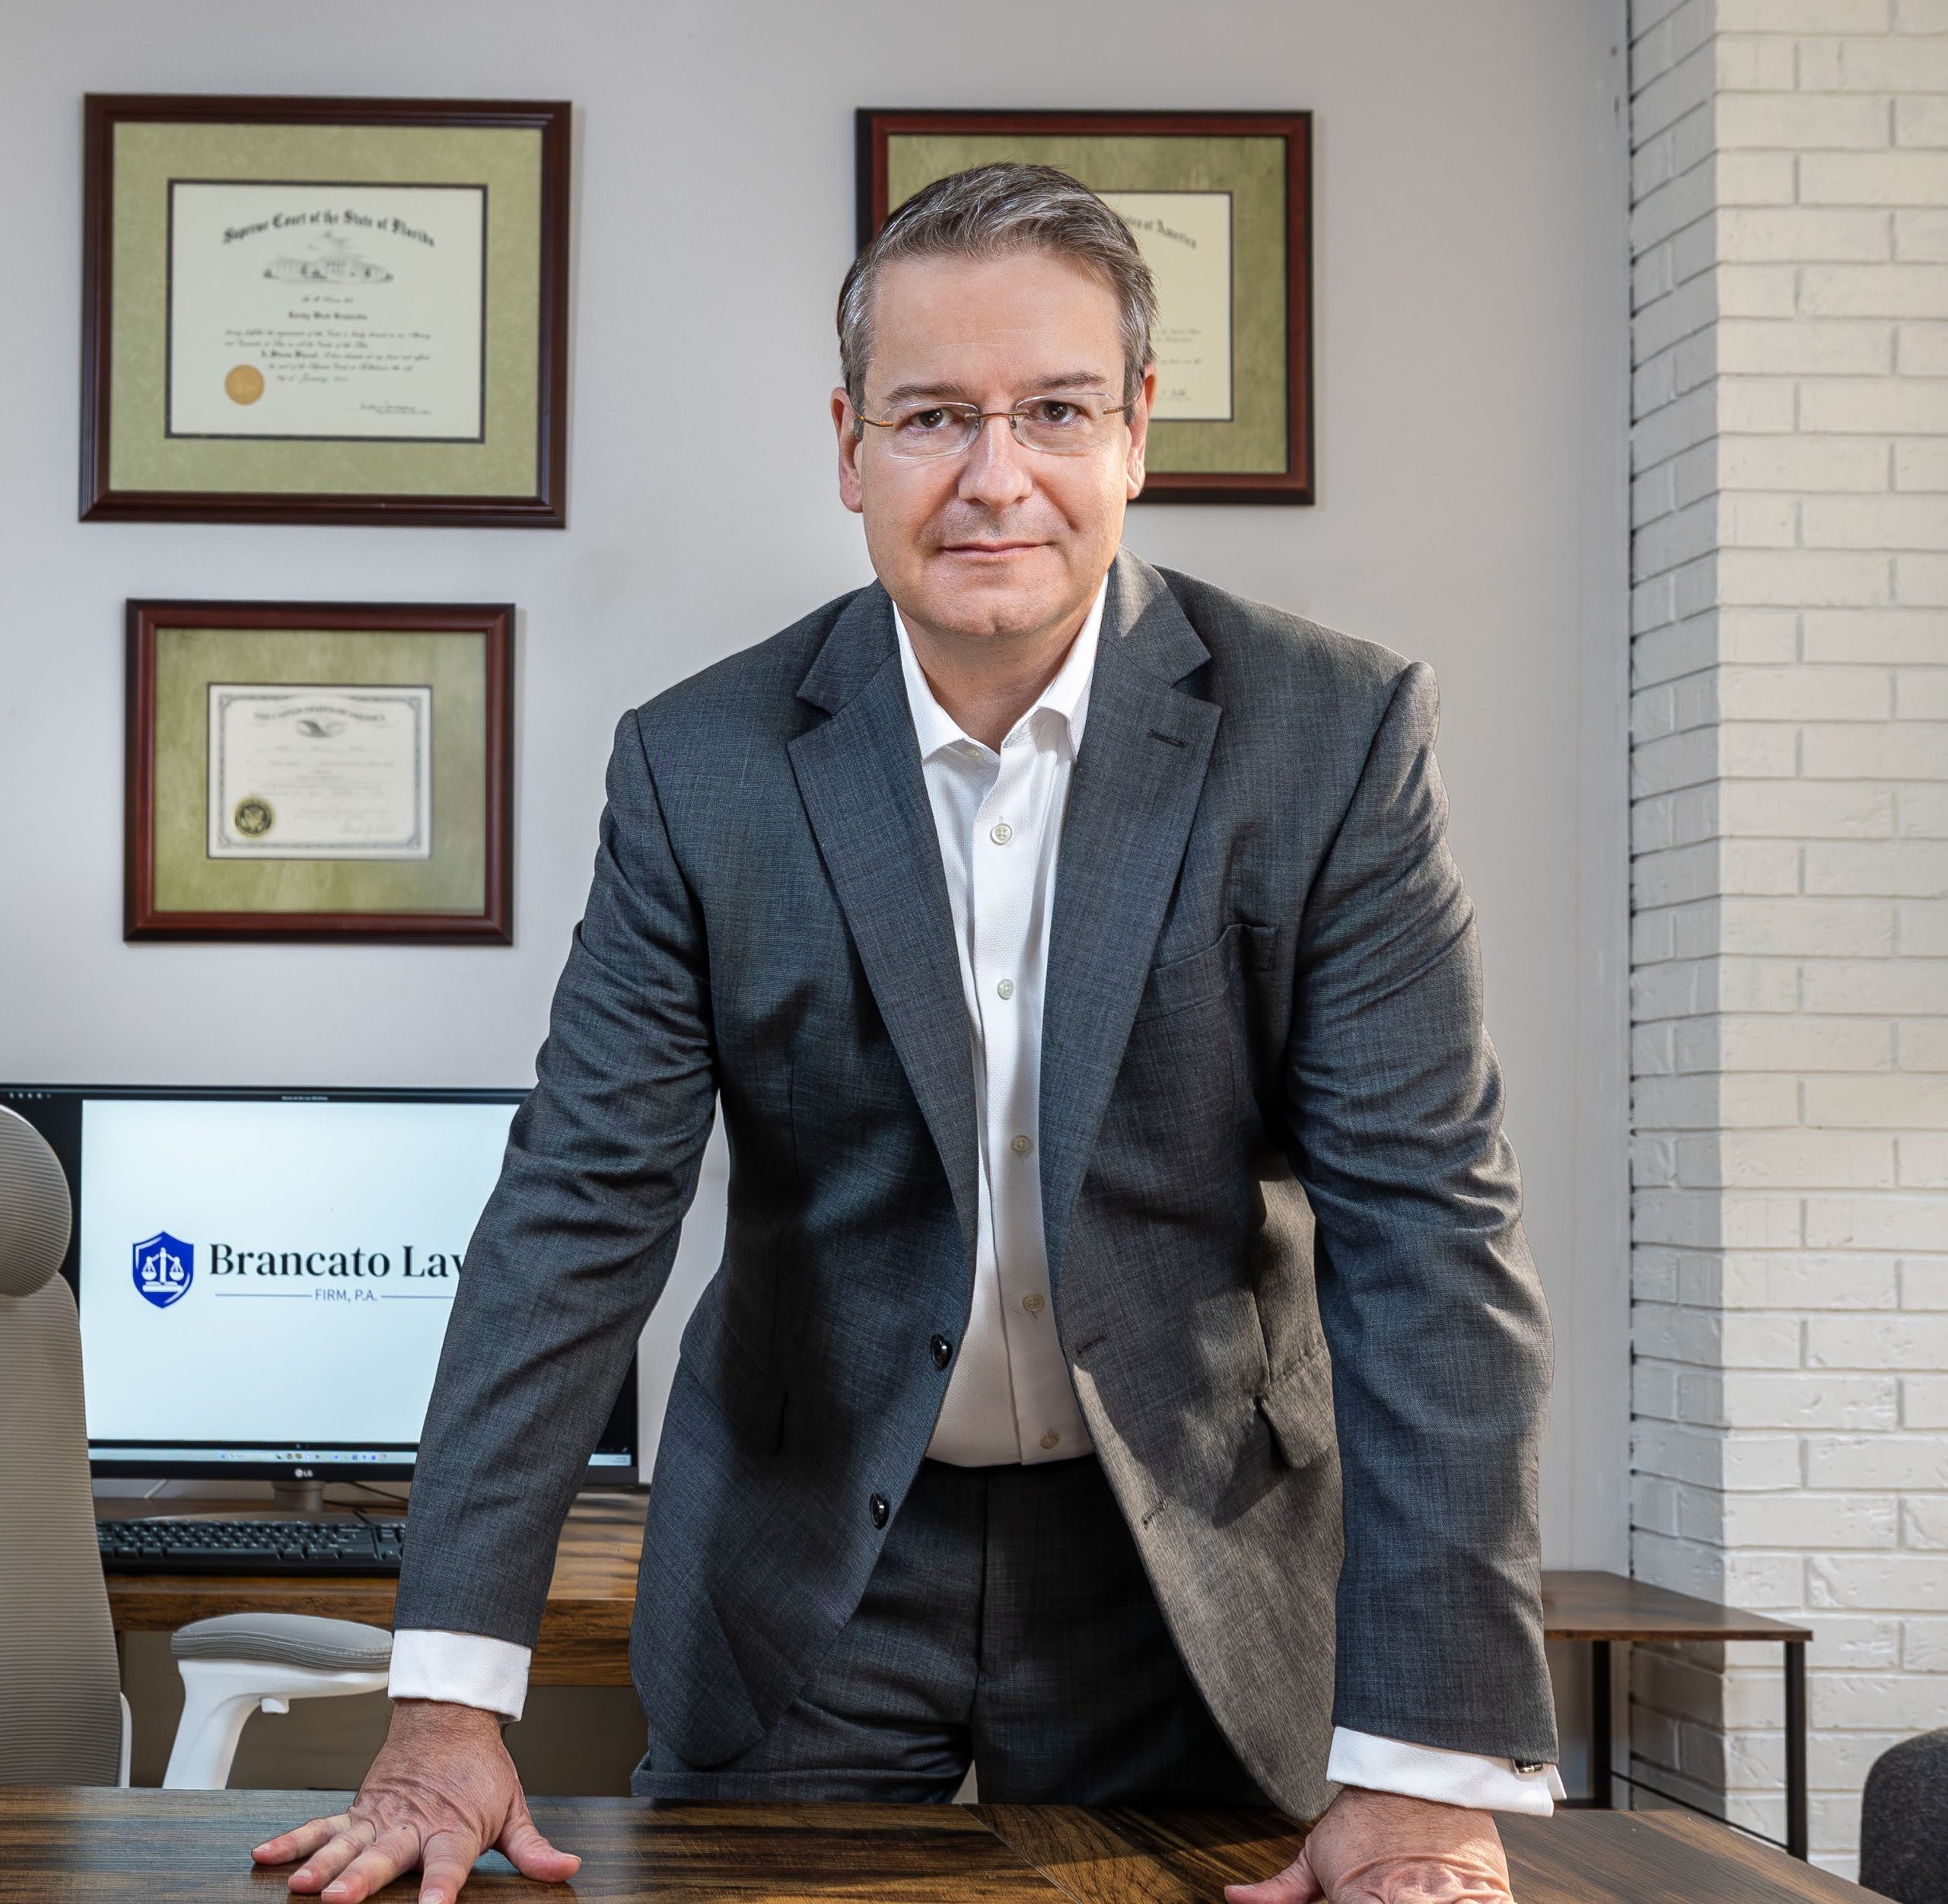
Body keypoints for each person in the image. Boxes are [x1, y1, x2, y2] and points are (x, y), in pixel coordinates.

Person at [253, 164, 1560, 1904]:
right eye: (932, 416)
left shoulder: (1328, 740)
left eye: (1052, 412)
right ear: (849, 444)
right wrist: (445, 1698)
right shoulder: (699, 766)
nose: (992, 477)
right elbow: (576, 1213)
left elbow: (1425, 1233)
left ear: (1136, 431)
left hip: (1185, 1552)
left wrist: (1426, 1769)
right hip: (806, 1558)